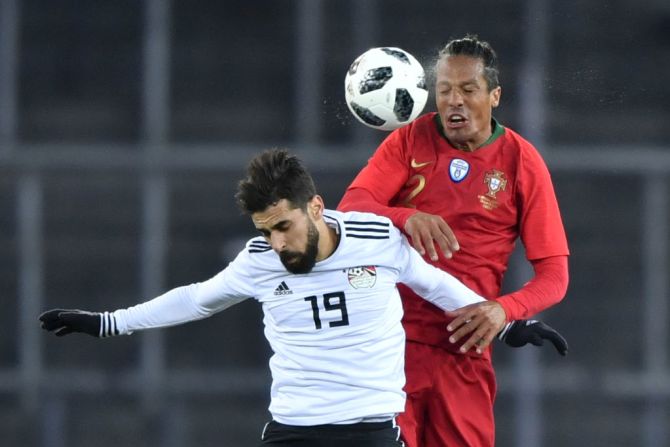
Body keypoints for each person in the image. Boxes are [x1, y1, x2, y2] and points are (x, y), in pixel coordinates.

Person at [40, 149, 566, 447]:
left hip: (372, 433)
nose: (278, 243)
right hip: (294, 432)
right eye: (266, 231)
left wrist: (511, 324)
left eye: (285, 227)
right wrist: (109, 322)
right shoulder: (261, 260)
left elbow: (436, 285)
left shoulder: (377, 238)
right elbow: (197, 299)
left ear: (316, 207)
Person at [338, 35, 570, 447]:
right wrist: (405, 216)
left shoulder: (521, 161)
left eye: (467, 90)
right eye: (444, 90)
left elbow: (554, 274)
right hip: (391, 346)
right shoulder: (410, 140)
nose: (453, 101)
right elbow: (352, 207)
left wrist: (504, 311)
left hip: (464, 351)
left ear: (494, 95)